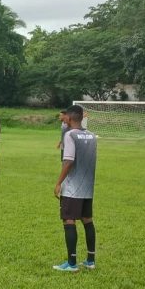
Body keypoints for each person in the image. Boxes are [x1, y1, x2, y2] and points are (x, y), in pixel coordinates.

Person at [53, 105, 97, 272]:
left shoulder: (70, 135)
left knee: (69, 220)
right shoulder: (92, 136)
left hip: (72, 187)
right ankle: (90, 260)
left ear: (70, 118)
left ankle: (72, 264)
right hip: (88, 187)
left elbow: (69, 160)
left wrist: (59, 183)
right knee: (87, 220)